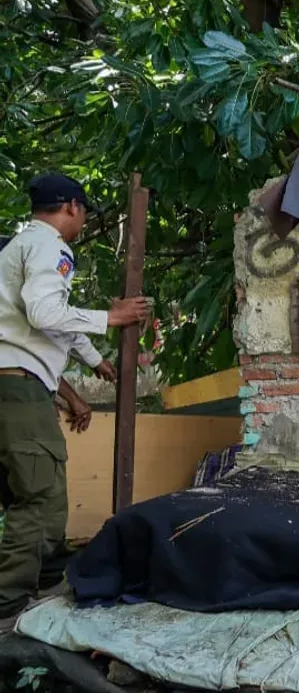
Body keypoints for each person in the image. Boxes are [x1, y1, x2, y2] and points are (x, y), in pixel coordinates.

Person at [0, 172, 150, 626]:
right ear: (71, 207)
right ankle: (8, 605)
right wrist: (113, 316)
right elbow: (46, 312)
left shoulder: (17, 247)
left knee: (32, 493)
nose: (83, 224)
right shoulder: (50, 247)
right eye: (84, 214)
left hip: (14, 383)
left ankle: (44, 582)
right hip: (19, 388)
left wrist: (92, 359)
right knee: (39, 498)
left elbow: (46, 323)